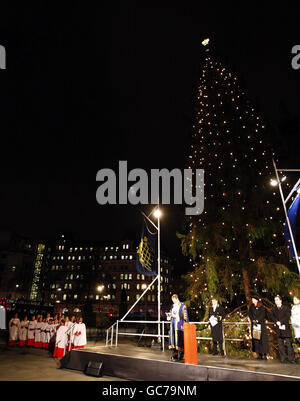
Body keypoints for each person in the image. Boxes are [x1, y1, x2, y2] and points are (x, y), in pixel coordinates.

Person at [271, 295, 295, 363]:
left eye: (277, 300)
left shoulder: (286, 308)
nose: (276, 301)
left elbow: (287, 316)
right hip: (278, 328)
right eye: (275, 300)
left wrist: (281, 322)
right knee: (280, 345)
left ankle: (291, 358)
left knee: (289, 344)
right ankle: (283, 358)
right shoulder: (273, 309)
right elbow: (272, 316)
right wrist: (276, 322)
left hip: (285, 328)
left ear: (280, 300)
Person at [167, 294, 189, 361]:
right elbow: (171, 314)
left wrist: (176, 317)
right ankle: (175, 355)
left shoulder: (182, 306)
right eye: (172, 300)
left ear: (176, 298)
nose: (173, 301)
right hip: (173, 324)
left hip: (179, 325)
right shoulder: (173, 306)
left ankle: (181, 355)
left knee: (179, 341)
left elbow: (185, 317)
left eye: (173, 300)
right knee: (173, 340)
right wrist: (169, 316)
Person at [248, 295, 269, 360]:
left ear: (257, 300)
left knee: (262, 340)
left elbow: (263, 315)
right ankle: (259, 354)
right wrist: (253, 320)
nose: (252, 300)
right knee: (256, 340)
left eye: (254, 299)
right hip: (254, 325)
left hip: (261, 325)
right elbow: (250, 314)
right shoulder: (251, 307)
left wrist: (258, 320)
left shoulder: (261, 307)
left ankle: (265, 354)